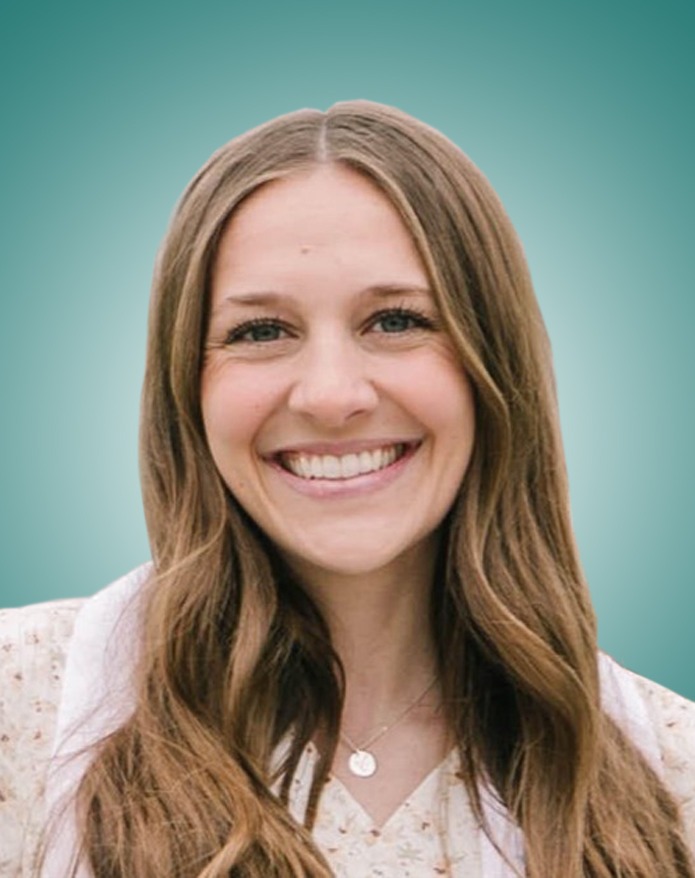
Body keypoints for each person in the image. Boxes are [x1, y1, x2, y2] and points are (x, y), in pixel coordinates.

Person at [1, 100, 693, 877]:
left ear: (492, 368)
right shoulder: (20, 698)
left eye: (395, 321)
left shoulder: (674, 772)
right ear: (184, 389)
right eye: (260, 332)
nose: (331, 396)